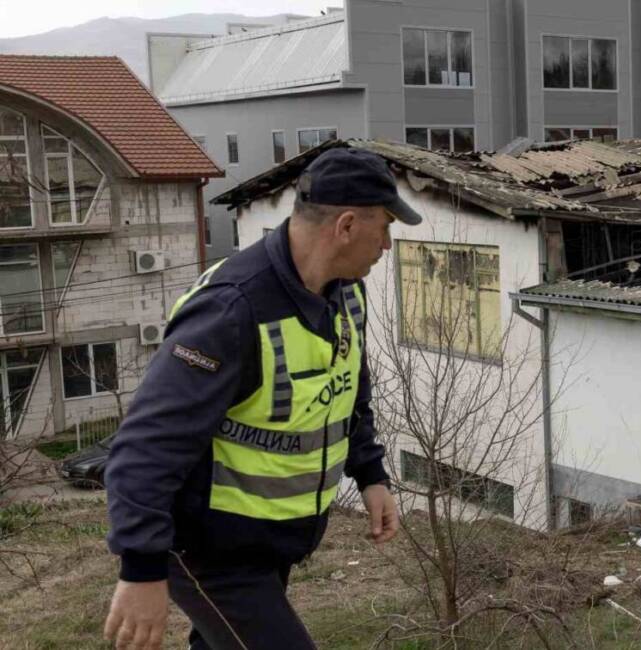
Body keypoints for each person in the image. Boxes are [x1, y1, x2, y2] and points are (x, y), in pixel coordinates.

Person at [102, 147, 422, 650]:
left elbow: (344, 395)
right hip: (209, 550)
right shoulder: (232, 309)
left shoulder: (346, 295)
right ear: (345, 226)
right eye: (383, 226)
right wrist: (141, 569)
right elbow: (145, 446)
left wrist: (371, 473)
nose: (386, 244)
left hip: (270, 543)